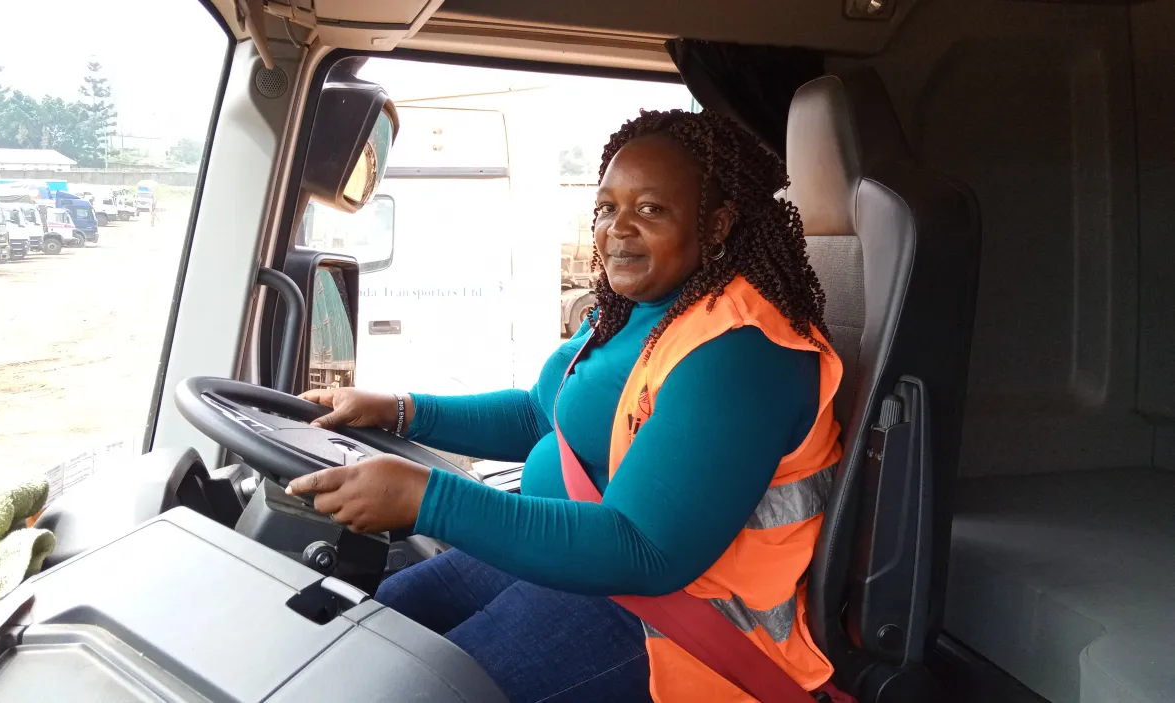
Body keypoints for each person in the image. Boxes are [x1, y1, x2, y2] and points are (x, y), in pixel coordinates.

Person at [287, 109, 843, 703]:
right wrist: (399, 410)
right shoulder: (636, 310)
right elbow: (537, 414)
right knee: (368, 629)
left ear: (716, 224)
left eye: (650, 209)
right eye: (606, 208)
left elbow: (644, 550)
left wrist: (426, 498)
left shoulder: (742, 349)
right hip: (568, 550)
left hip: (669, 621)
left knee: (413, 690)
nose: (617, 229)